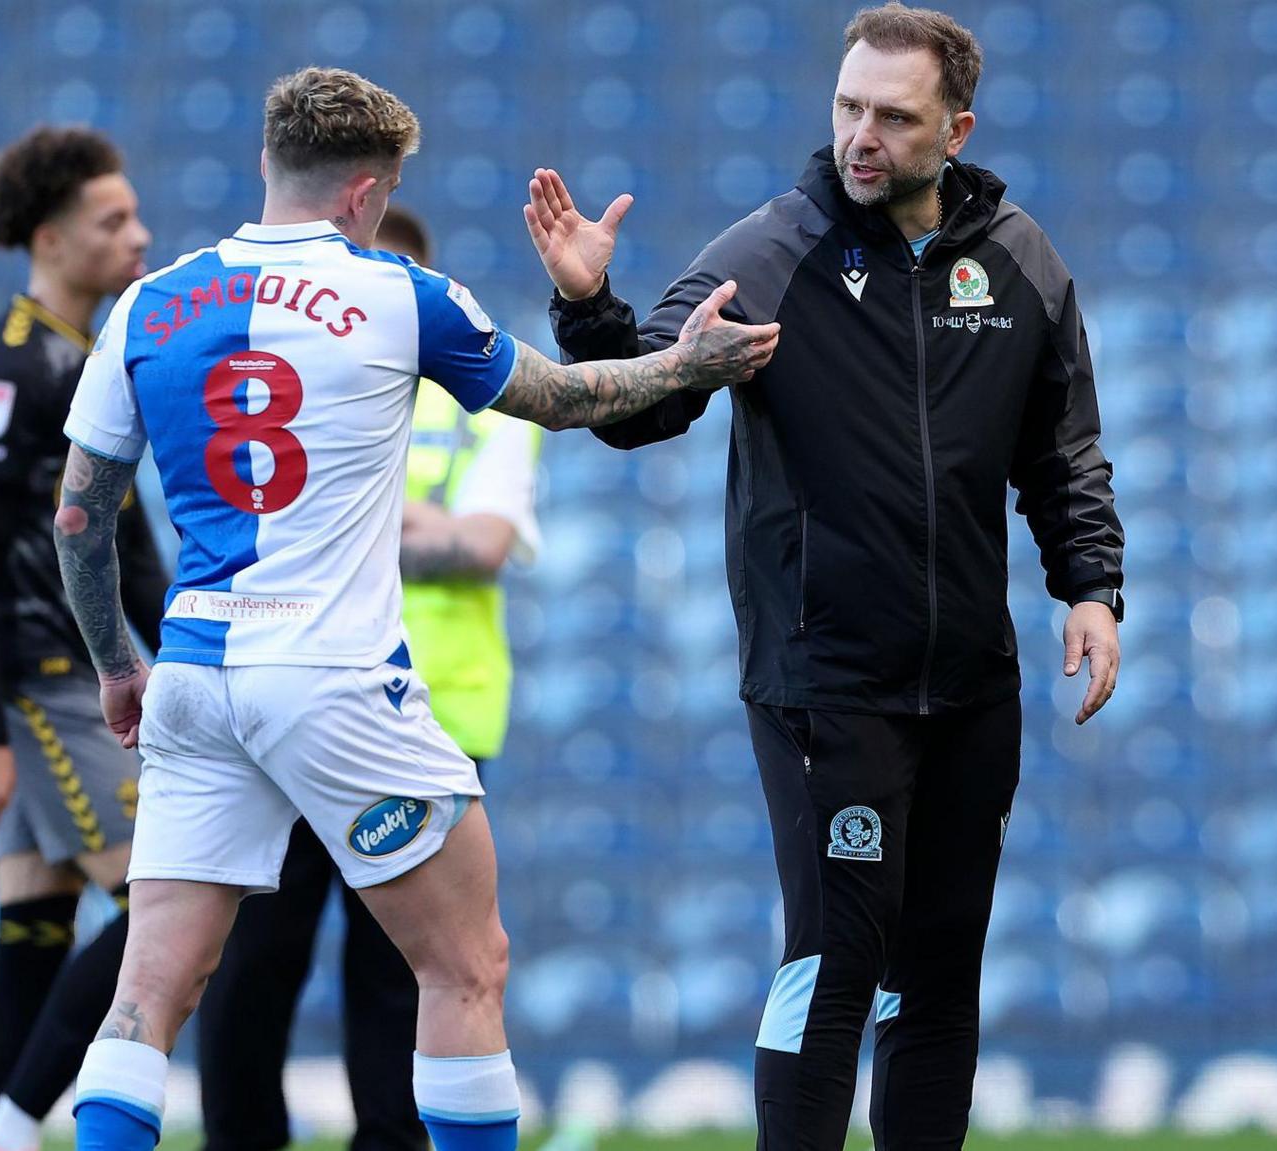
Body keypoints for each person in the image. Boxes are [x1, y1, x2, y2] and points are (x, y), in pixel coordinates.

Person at [49, 66, 778, 1151]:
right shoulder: (398, 292)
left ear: (268, 162)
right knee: (465, 963)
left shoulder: (149, 303)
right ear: (368, 192)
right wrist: (687, 363)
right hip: (333, 676)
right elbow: (568, 399)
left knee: (149, 994)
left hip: (193, 675)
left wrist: (116, 660)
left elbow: (78, 519)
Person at [524, 5, 1124, 1149]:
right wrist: (591, 311)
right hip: (822, 681)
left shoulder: (1019, 260)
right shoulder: (769, 250)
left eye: (892, 118)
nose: (860, 135)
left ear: (955, 130)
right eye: (848, 106)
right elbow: (636, 408)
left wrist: (1088, 586)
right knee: (835, 952)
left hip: (968, 685)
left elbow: (1060, 447)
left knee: (939, 969)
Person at [193, 203, 543, 1151]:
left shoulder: (477, 404)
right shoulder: (281, 393)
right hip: (286, 704)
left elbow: (480, 545)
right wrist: (407, 526)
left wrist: (338, 529)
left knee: (407, 969)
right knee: (253, 959)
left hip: (428, 719)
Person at [0, 125, 168, 1151]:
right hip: (44, 679)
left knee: (34, 920)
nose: (138, 235)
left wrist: (180, 645)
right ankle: (17, 1126)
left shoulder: (94, 360)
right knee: (159, 903)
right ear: (49, 237)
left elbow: (132, 540)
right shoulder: (8, 363)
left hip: (85, 672)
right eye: (111, 220)